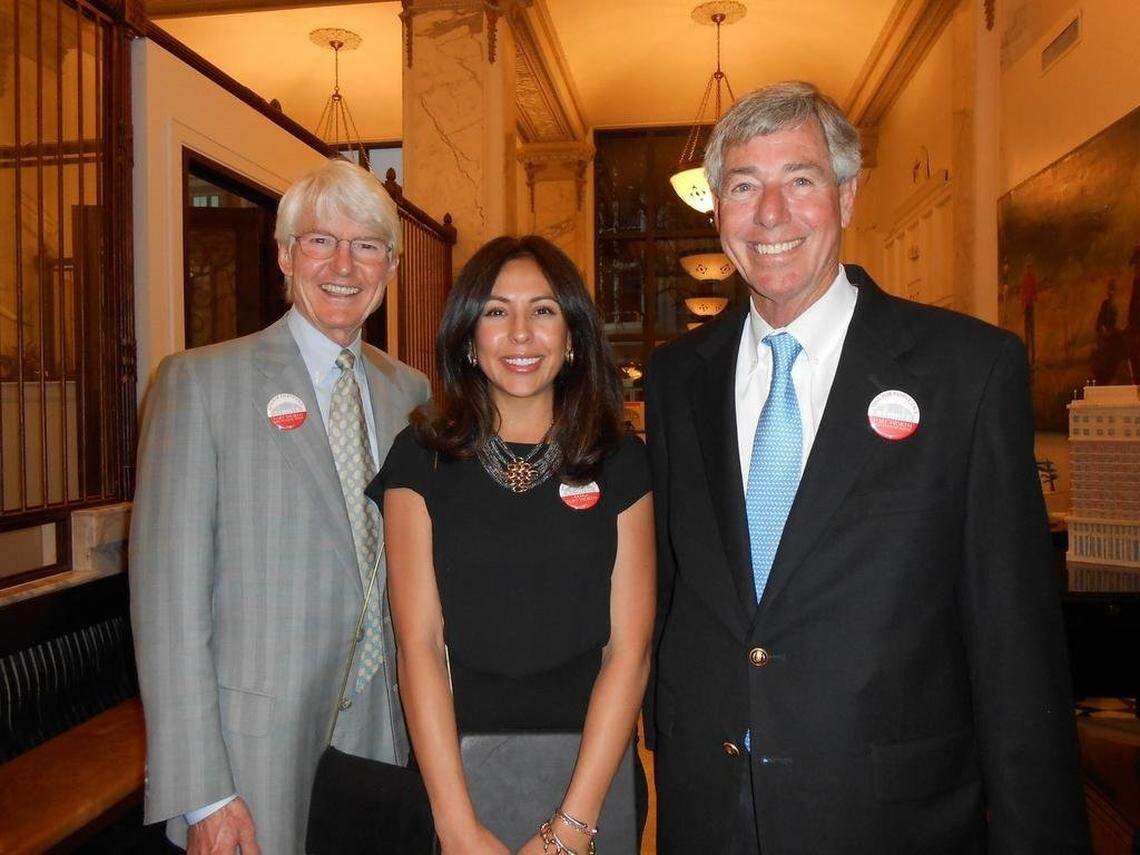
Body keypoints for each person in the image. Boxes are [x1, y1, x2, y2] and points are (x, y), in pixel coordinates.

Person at [643, 81, 1089, 854]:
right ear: (717, 211)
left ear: (847, 196)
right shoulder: (679, 377)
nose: (771, 214)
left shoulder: (966, 372)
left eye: (800, 180)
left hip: (889, 817)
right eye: (744, 186)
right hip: (708, 809)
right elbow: (676, 582)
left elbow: (1016, 646)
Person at [130, 159, 429, 854]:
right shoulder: (200, 384)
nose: (344, 265)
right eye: (322, 240)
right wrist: (202, 788)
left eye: (368, 246)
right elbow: (168, 606)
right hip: (251, 755)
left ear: (390, 266)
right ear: (285, 256)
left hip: (387, 735)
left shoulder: (411, 395)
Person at [373, 235, 654, 855]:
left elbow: (628, 651)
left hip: (592, 781)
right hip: (456, 779)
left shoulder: (621, 461)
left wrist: (571, 828)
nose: (521, 333)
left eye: (544, 310)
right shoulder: (419, 459)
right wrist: (457, 827)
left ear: (573, 336)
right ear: (468, 338)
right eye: (496, 312)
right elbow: (417, 644)